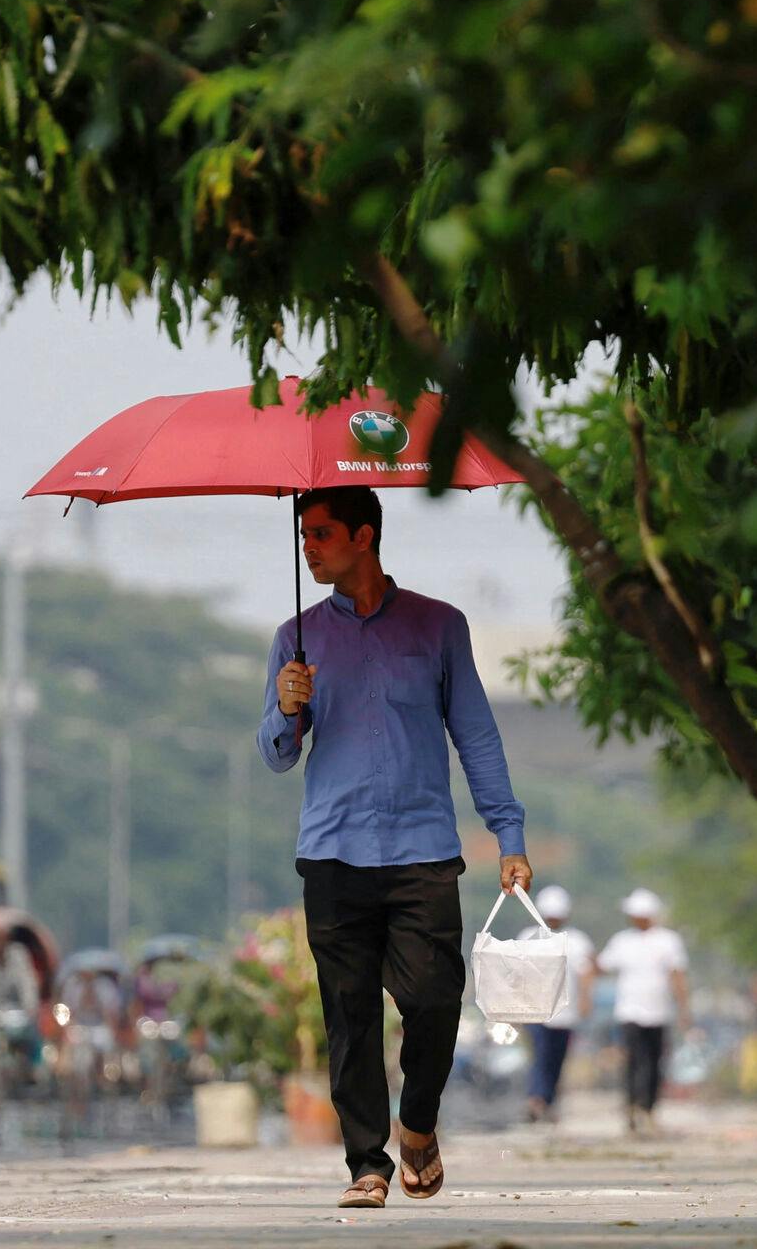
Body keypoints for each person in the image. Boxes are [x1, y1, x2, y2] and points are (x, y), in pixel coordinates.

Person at [259, 486, 532, 1210]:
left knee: (436, 1000)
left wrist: (508, 832)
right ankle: (366, 1165)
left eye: (320, 534)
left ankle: (417, 1124)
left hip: (422, 852)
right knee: (349, 1014)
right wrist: (288, 707)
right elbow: (277, 754)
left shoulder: (440, 627)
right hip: (333, 853)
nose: (308, 547)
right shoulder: (296, 638)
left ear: (364, 536)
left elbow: (474, 732)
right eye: (303, 535)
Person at [594, 888, 690, 1134]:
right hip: (630, 1012)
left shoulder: (668, 940)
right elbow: (601, 966)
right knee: (635, 1062)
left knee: (655, 1063)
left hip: (659, 1013)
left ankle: (648, 1109)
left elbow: (677, 976)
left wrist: (684, 1009)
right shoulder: (622, 941)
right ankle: (632, 1107)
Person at [516, 885, 596, 1123]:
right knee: (540, 1055)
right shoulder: (528, 936)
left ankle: (547, 1101)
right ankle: (536, 1099)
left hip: (565, 1012)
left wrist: (585, 1000)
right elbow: (518, 974)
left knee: (556, 1058)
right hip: (535, 1011)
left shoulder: (578, 941)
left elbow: (586, 973)